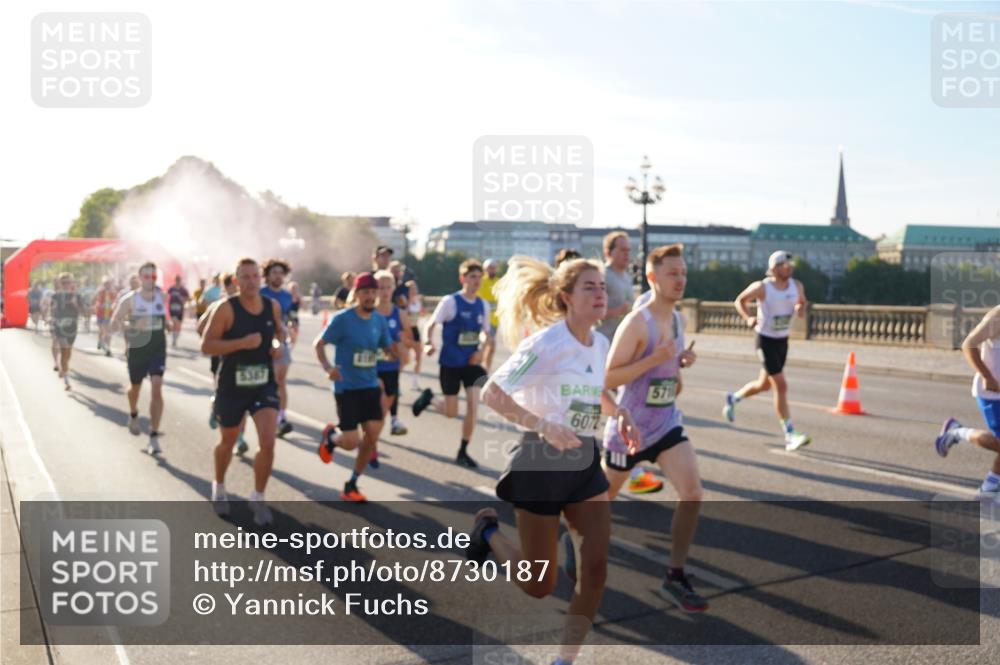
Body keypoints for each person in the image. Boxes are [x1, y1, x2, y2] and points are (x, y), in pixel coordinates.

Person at [468, 255, 638, 665]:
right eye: (590, 287)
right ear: (566, 297)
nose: (601, 293)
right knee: (538, 585)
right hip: (539, 461)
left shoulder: (599, 343)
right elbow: (491, 392)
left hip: (583, 460)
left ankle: (564, 660)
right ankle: (488, 534)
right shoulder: (545, 343)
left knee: (595, 569)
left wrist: (618, 411)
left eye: (602, 286)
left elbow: (590, 389)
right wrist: (542, 425)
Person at [601, 244, 708, 611]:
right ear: (652, 277)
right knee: (601, 503)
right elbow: (609, 376)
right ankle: (573, 537)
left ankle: (674, 576)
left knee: (692, 492)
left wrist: (679, 363)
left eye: (683, 274)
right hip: (628, 430)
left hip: (664, 425)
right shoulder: (637, 322)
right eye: (672, 273)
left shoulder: (677, 320)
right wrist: (655, 359)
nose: (680, 280)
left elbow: (670, 375)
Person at [201, 257, 285, 525]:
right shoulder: (226, 309)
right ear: (236, 281)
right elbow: (207, 346)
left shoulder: (271, 306)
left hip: (263, 383)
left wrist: (277, 345)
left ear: (260, 279)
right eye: (245, 277)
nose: (251, 281)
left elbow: (280, 334)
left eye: (254, 276)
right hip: (232, 385)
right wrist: (241, 343)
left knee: (268, 441)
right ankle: (219, 485)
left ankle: (258, 497)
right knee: (228, 441)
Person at [314, 272, 397, 503]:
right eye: (365, 292)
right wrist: (328, 367)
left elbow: (387, 347)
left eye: (373, 292)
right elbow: (319, 344)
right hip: (347, 388)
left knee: (371, 438)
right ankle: (332, 437)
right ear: (356, 294)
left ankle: (352, 484)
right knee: (351, 443)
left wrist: (392, 353)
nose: (370, 296)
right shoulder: (343, 319)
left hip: (370, 386)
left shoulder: (379, 320)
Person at [723, 250, 811, 451]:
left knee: (764, 385)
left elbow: (802, 302)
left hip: (782, 342)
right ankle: (790, 434)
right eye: (784, 265)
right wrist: (749, 318)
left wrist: (800, 309)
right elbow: (740, 301)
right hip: (765, 341)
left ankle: (734, 398)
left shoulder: (796, 286)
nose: (789, 268)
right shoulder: (763, 288)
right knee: (781, 385)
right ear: (774, 268)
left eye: (790, 265)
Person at [597, 231, 662, 494]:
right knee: (622, 407)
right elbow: (590, 309)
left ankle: (617, 467)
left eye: (629, 249)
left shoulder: (626, 277)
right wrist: (615, 311)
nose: (628, 254)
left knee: (622, 407)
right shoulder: (603, 275)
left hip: (622, 352)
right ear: (609, 252)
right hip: (601, 350)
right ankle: (630, 469)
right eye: (622, 249)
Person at [412, 259, 489, 468]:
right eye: (472, 277)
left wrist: (481, 350)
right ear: (462, 278)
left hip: (471, 363)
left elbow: (485, 333)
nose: (476, 281)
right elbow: (430, 324)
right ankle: (430, 398)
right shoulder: (450, 302)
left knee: (473, 407)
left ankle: (463, 452)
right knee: (451, 413)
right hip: (451, 362)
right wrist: (428, 342)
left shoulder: (483, 305)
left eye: (479, 278)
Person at [936, 305, 1000, 500]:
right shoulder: (997, 316)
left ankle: (990, 489)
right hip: (992, 393)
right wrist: (987, 376)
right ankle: (955, 432)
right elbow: (969, 344)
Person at [110, 262, 171, 455]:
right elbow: (114, 324)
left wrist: (169, 325)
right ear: (139, 277)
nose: (150, 280)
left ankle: (153, 436)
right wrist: (132, 325)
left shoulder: (162, 296)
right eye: (146, 276)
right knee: (134, 388)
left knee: (156, 387)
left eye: (153, 277)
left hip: (157, 349)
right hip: (138, 349)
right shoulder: (130, 299)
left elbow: (165, 321)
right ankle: (134, 413)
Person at [200, 274, 247, 452]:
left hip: (243, 360)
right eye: (232, 286)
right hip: (221, 358)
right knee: (223, 393)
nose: (236, 289)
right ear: (226, 288)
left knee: (244, 399)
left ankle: (240, 438)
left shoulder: (249, 305)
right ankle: (216, 407)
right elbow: (200, 327)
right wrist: (217, 337)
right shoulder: (218, 306)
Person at [260, 258, 296, 438]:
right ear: (267, 275)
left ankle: (280, 417)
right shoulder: (260, 293)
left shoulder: (287, 296)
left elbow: (291, 317)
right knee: (266, 381)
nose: (278, 276)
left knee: (280, 381)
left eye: (281, 273)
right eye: (274, 272)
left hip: (281, 341)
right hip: (260, 342)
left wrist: (293, 330)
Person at [375, 270, 413, 439]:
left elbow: (410, 339)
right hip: (370, 367)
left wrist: (401, 344)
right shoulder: (369, 313)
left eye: (387, 287)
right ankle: (371, 439)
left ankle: (387, 424)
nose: (384, 291)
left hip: (391, 365)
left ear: (393, 289)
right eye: (380, 287)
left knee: (389, 395)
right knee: (377, 401)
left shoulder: (400, 314)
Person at [49, 273, 84, 391]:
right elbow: (51, 309)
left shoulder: (77, 296)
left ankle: (63, 368)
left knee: (67, 352)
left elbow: (85, 312)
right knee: (64, 349)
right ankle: (66, 380)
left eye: (68, 282)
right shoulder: (55, 296)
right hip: (59, 326)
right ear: (59, 283)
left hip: (72, 327)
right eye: (63, 282)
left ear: (72, 283)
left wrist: (76, 305)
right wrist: (50, 320)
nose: (66, 285)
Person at [478, 258, 501, 372]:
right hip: (482, 319)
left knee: (490, 347)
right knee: (488, 344)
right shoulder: (480, 281)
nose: (491, 269)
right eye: (489, 267)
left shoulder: (500, 281)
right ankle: (479, 367)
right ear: (485, 269)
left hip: (495, 320)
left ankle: (485, 369)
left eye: (493, 267)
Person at [405, 280, 424, 391]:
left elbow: (422, 313)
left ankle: (414, 382)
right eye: (411, 289)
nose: (414, 290)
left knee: (418, 357)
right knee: (404, 358)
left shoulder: (418, 302)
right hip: (406, 331)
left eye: (415, 288)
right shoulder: (405, 302)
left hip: (415, 330)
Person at [94, 278, 116, 356]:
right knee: (101, 330)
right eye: (106, 284)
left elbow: (115, 302)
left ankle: (108, 348)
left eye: (108, 284)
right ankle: (100, 341)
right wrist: (99, 305)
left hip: (109, 315)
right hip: (100, 314)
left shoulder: (113, 292)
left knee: (107, 331)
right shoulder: (100, 292)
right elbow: (96, 301)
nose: (107, 285)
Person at [166, 275, 189, 349]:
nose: (178, 281)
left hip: (180, 309)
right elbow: (166, 296)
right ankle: (173, 339)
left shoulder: (183, 290)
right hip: (172, 308)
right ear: (175, 280)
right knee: (174, 322)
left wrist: (182, 299)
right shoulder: (171, 289)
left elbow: (187, 298)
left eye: (179, 280)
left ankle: (175, 338)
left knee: (178, 325)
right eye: (177, 280)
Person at [287, 280, 302, 347]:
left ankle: (291, 346)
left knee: (296, 333)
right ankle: (288, 344)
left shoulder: (298, 297)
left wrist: (300, 299)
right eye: (293, 288)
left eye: (295, 288)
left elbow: (305, 307)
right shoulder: (287, 297)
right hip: (287, 317)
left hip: (295, 317)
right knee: (290, 331)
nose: (294, 290)